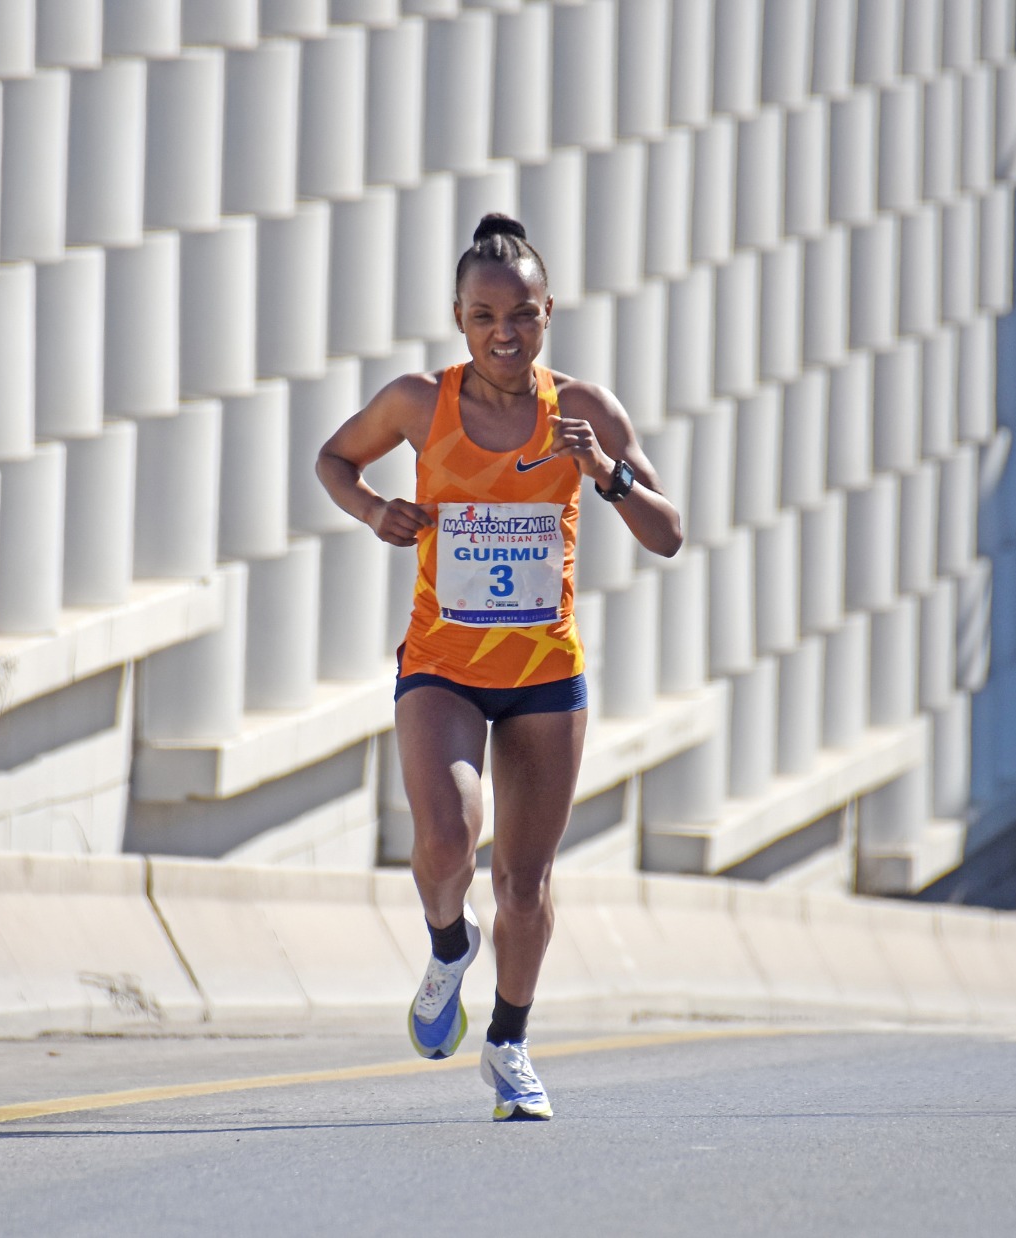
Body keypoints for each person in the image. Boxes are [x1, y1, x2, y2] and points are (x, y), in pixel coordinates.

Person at [316, 214, 683, 1120]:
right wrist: (374, 511)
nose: (504, 334)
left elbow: (669, 533)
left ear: (549, 312)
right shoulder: (418, 403)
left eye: (521, 314)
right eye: (484, 317)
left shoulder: (584, 411)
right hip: (444, 664)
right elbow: (334, 459)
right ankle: (449, 944)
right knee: (448, 839)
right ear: (459, 319)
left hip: (544, 676)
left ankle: (509, 1045)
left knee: (524, 883)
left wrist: (605, 471)